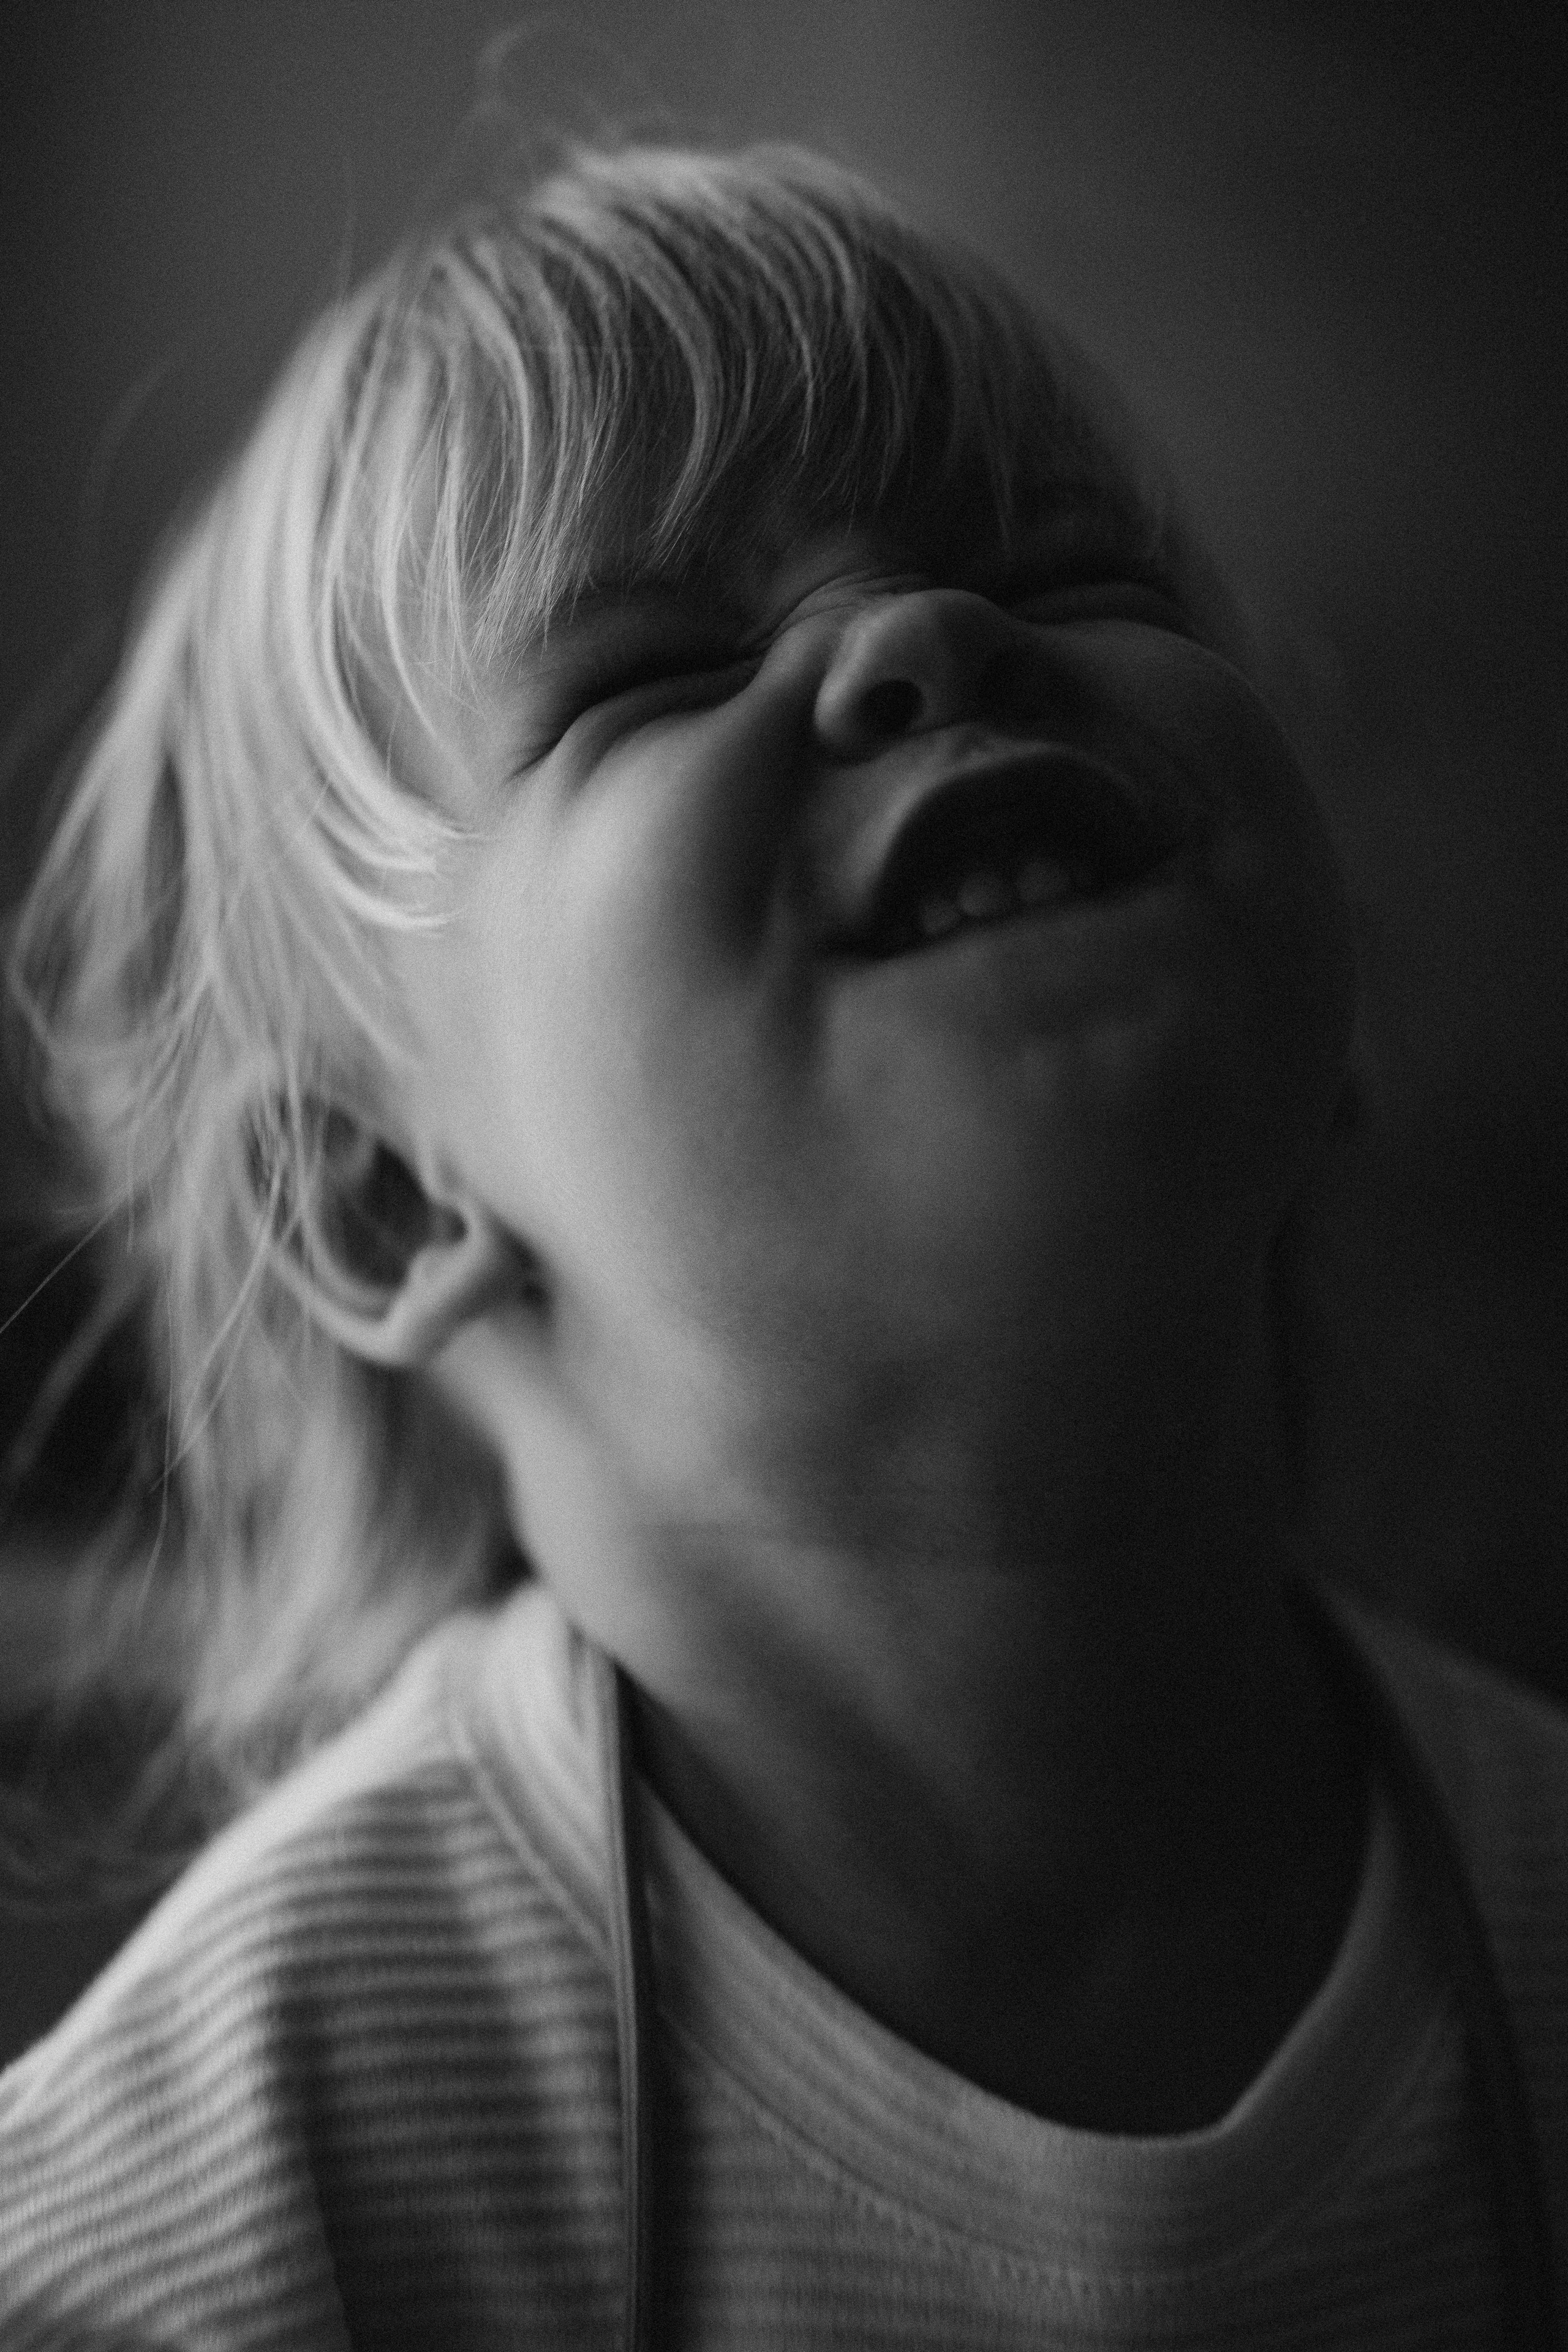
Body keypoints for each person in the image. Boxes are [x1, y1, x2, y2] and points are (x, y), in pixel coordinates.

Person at [1, 134, 1564, 2350]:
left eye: (1076, 570)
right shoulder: (249, 2180)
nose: (933, 633)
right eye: (655, 665)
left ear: (1335, 1007)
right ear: (380, 1193)